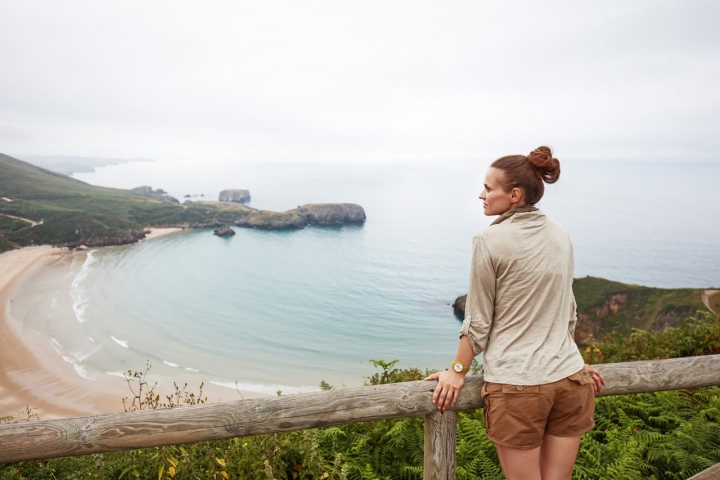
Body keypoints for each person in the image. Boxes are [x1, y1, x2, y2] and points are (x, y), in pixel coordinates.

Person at [425, 146, 605, 480]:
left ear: (514, 195)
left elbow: (478, 321)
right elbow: (568, 311)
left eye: (489, 188)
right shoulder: (560, 234)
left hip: (519, 386)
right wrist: (569, 359)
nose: (481, 194)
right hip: (570, 381)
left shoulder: (488, 240)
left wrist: (457, 370)